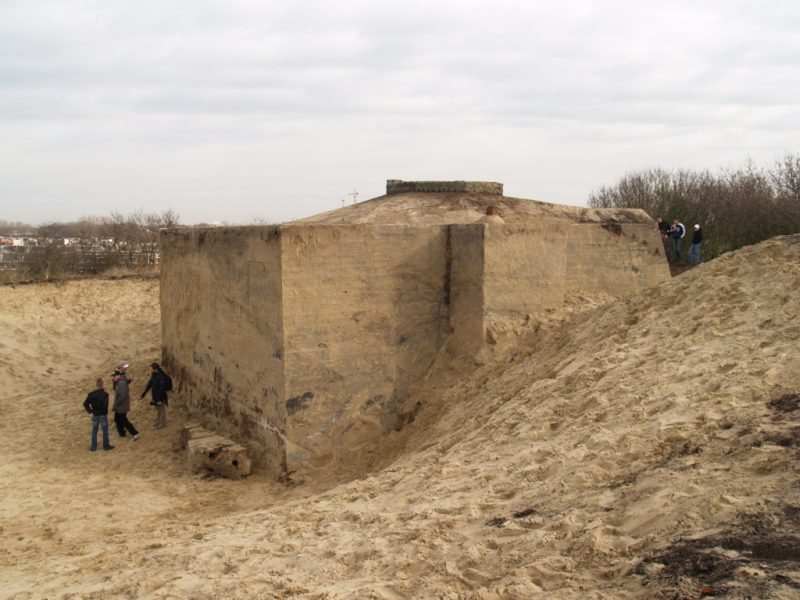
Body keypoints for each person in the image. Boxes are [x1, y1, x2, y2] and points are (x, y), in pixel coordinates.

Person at [83, 378, 114, 451]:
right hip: (102, 415)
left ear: (96, 385)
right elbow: (105, 406)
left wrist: (90, 411)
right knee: (105, 430)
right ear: (102, 384)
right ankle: (106, 446)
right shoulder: (105, 394)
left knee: (94, 430)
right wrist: (104, 413)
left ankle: (94, 447)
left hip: (95, 414)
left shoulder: (91, 394)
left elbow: (85, 404)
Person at [112, 365, 139, 440]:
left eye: (114, 376)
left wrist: (117, 403)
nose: (113, 378)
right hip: (120, 405)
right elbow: (115, 389)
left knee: (123, 420)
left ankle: (134, 433)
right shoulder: (119, 382)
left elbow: (122, 396)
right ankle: (122, 433)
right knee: (117, 419)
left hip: (121, 406)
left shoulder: (122, 383)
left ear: (118, 376)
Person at [141, 362, 169, 429]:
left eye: (151, 369)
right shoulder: (154, 376)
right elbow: (149, 385)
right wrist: (144, 393)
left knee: (161, 410)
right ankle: (158, 421)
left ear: (155, 369)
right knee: (158, 409)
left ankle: (162, 423)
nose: (150, 370)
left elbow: (162, 389)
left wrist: (159, 397)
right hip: (155, 396)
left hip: (160, 397)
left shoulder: (160, 377)